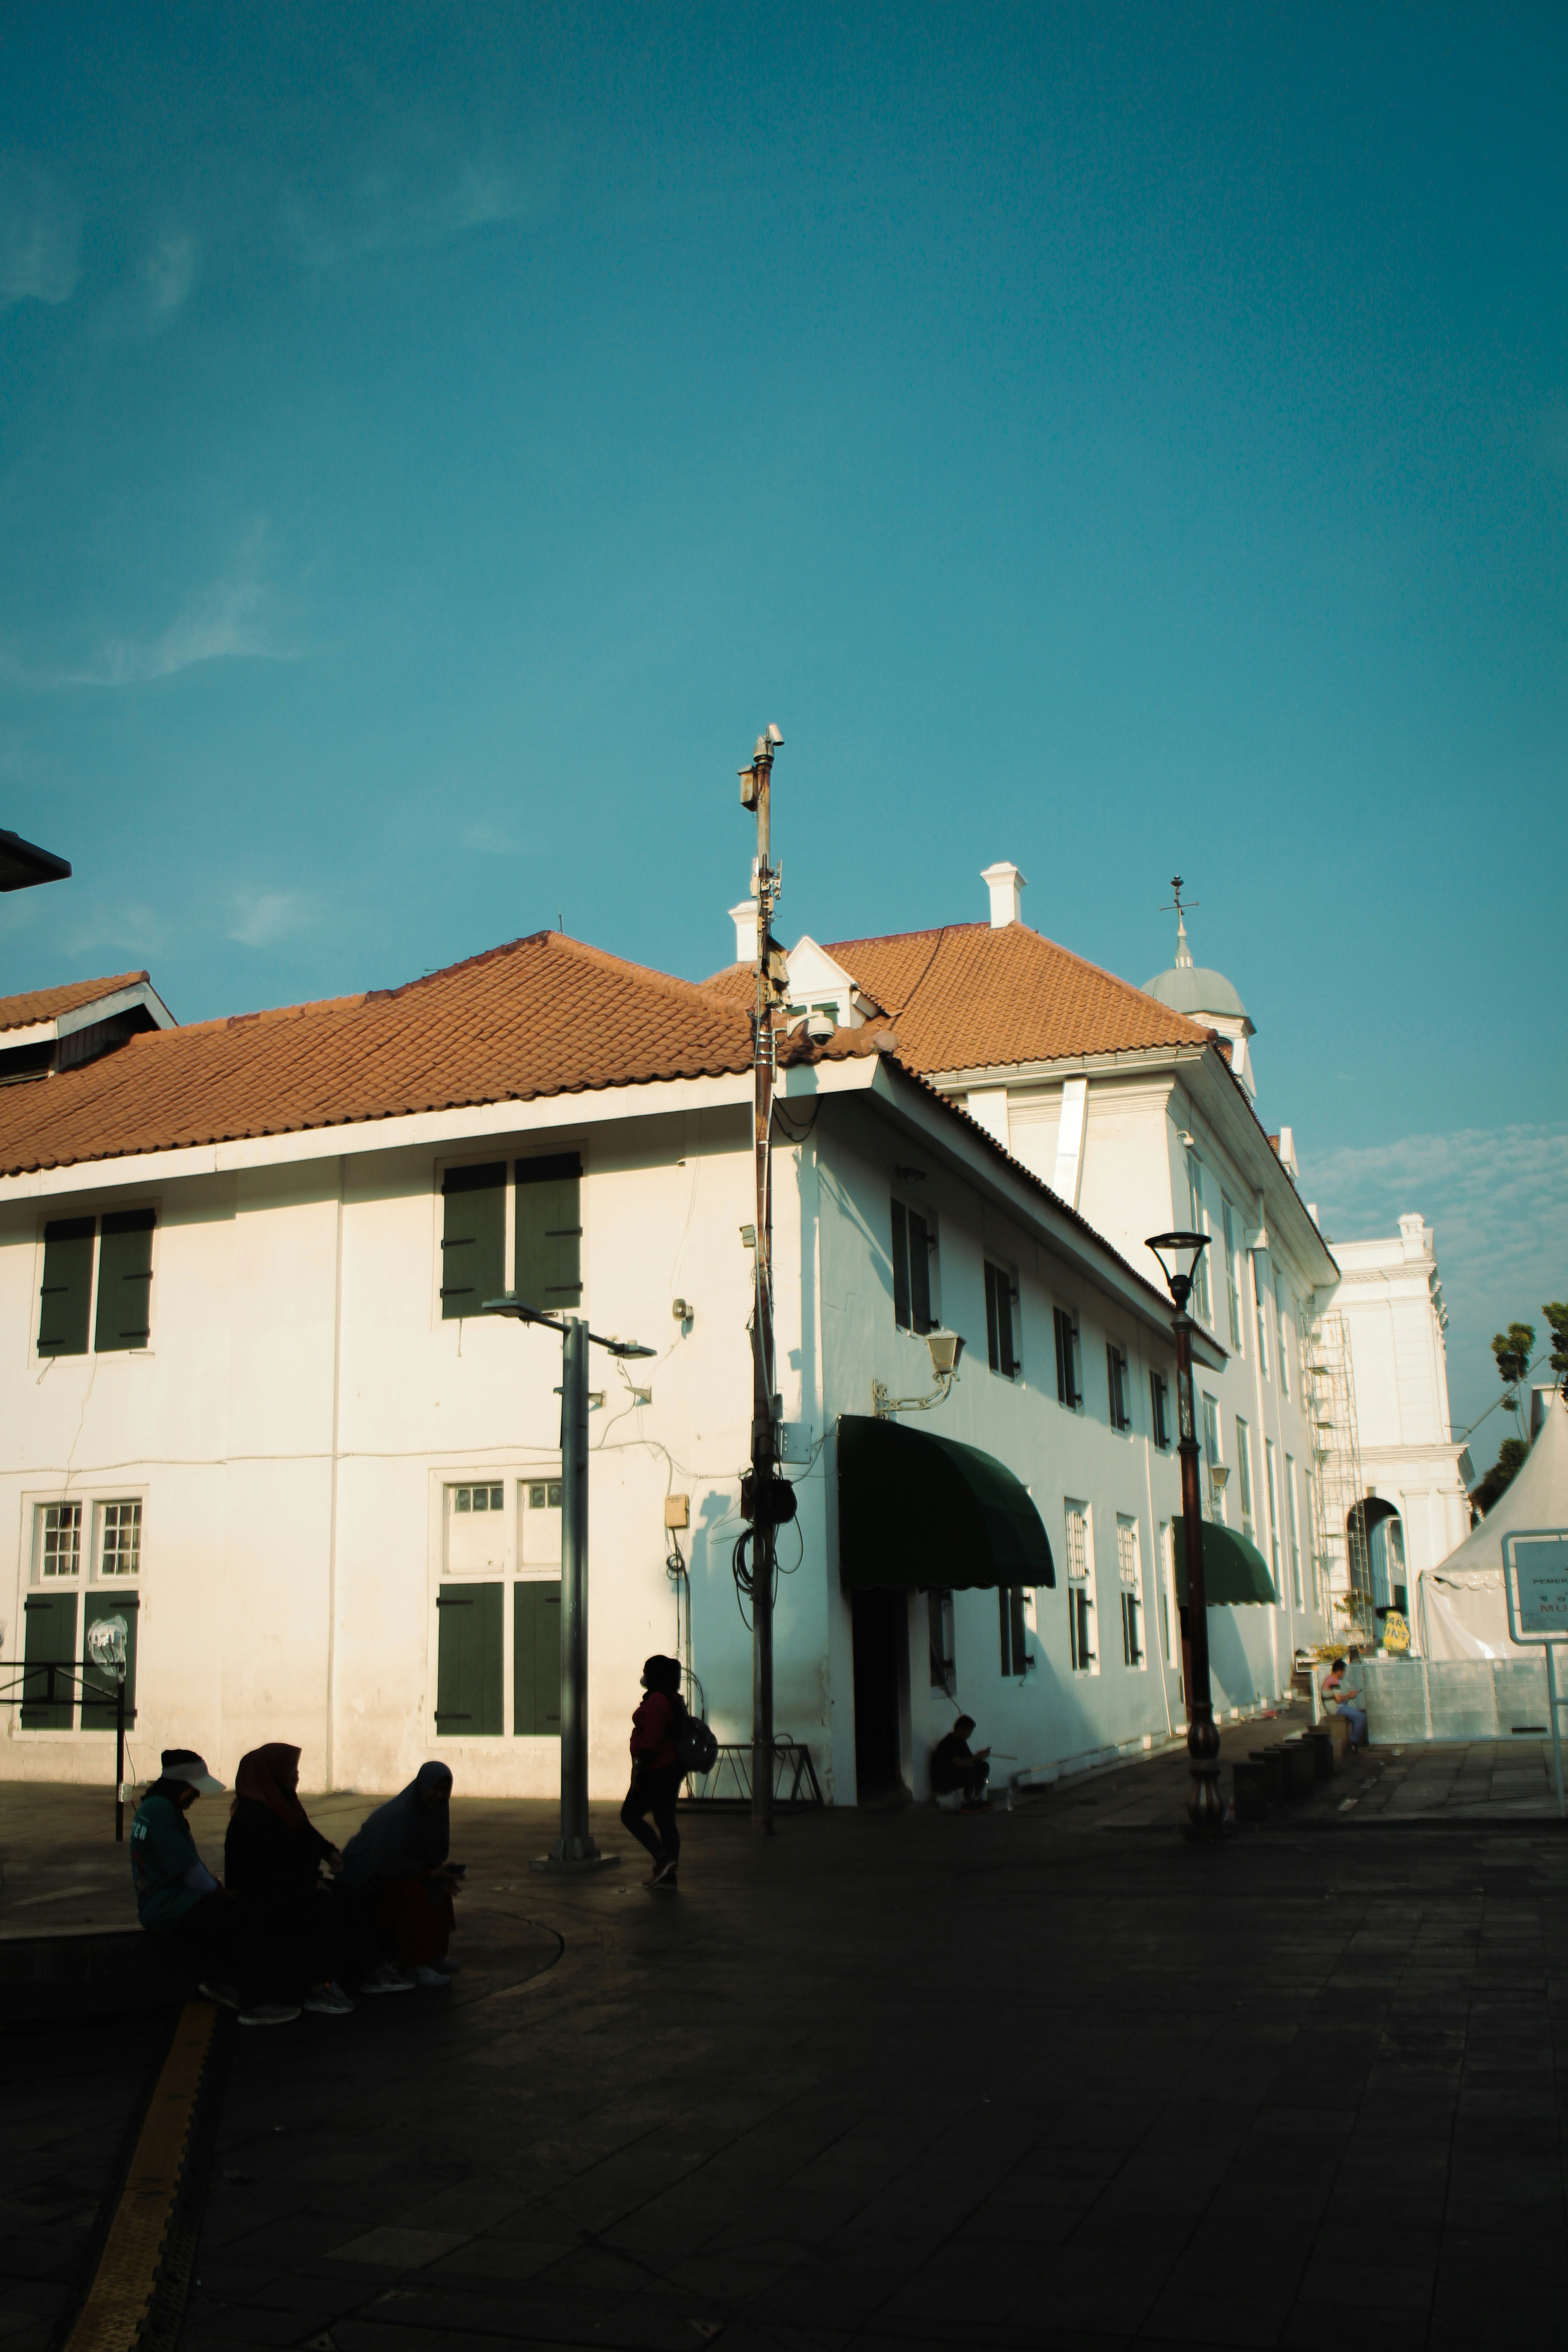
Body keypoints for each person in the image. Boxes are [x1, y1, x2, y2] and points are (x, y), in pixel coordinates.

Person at [129, 1747, 299, 2029]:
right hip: (170, 1906)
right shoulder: (163, 1812)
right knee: (245, 1917)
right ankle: (254, 2003)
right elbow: (189, 1871)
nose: (197, 1796)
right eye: (195, 1789)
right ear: (183, 1786)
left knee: (226, 1917)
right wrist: (219, 1891)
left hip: (159, 1904)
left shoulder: (150, 1808)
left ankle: (220, 1981)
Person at [223, 1744, 379, 2014]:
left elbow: (306, 1833)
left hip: (289, 1885)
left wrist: (329, 1852)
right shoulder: (253, 1816)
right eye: (291, 1770)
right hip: (262, 1897)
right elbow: (264, 1870)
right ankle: (318, 1987)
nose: (296, 1776)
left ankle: (364, 1972)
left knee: (351, 1897)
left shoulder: (282, 1804)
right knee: (324, 1908)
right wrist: (307, 1883)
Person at [340, 1764, 460, 1986]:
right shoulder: (398, 1816)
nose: (440, 1796)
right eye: (435, 1789)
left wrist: (438, 1874)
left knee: (439, 1888)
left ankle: (434, 1955)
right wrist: (429, 1874)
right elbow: (388, 1864)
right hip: (365, 1881)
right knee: (415, 1892)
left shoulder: (430, 1812)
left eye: (445, 1791)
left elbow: (428, 1855)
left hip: (396, 1872)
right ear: (423, 1786)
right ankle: (415, 1964)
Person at [621, 1655, 685, 1890]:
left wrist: (639, 1768)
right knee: (665, 1819)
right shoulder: (673, 1698)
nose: (644, 1676)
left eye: (647, 1672)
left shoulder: (658, 1700)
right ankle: (668, 1876)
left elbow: (652, 1740)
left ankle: (663, 1860)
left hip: (657, 1769)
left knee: (630, 1815)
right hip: (669, 1768)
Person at [931, 1716, 991, 1808]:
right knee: (970, 1771)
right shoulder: (949, 1742)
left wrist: (981, 1757)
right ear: (961, 1729)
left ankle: (977, 1799)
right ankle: (967, 1802)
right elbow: (959, 1764)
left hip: (956, 1775)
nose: (970, 1735)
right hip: (944, 1780)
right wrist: (977, 1756)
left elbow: (971, 1760)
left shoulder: (961, 1742)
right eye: (969, 1732)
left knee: (984, 1766)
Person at [1321, 1654, 1367, 1749]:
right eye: (1344, 1672)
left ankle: (1353, 1742)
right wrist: (1349, 1696)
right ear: (1339, 1671)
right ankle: (1352, 1742)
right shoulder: (1334, 1682)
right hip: (1336, 1709)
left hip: (1336, 1708)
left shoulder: (1329, 1679)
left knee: (1358, 1716)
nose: (1344, 1674)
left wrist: (1349, 1696)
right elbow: (1338, 1700)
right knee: (1361, 1717)